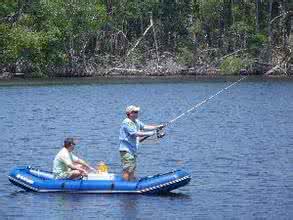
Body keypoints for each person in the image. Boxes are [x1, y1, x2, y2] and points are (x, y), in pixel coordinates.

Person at [119, 105, 165, 181]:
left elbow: (145, 127)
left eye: (137, 112)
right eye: (135, 112)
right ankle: (125, 185)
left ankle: (131, 183)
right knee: (127, 169)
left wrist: (158, 127)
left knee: (132, 168)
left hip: (132, 150)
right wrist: (150, 133)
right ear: (129, 113)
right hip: (126, 150)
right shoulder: (126, 122)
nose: (137, 113)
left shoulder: (136, 121)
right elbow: (135, 133)